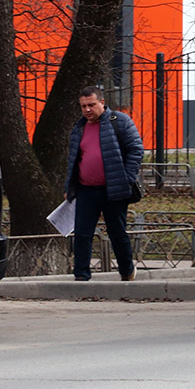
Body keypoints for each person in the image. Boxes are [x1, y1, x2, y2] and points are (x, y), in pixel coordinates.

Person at [64, 85, 144, 281]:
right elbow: (74, 160)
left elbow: (136, 150)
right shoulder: (79, 127)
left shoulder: (120, 121)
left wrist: (126, 178)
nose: (87, 110)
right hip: (86, 189)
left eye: (91, 105)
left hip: (114, 189)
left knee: (117, 233)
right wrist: (70, 187)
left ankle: (127, 271)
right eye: (83, 106)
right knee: (82, 233)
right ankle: (81, 276)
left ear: (102, 102)